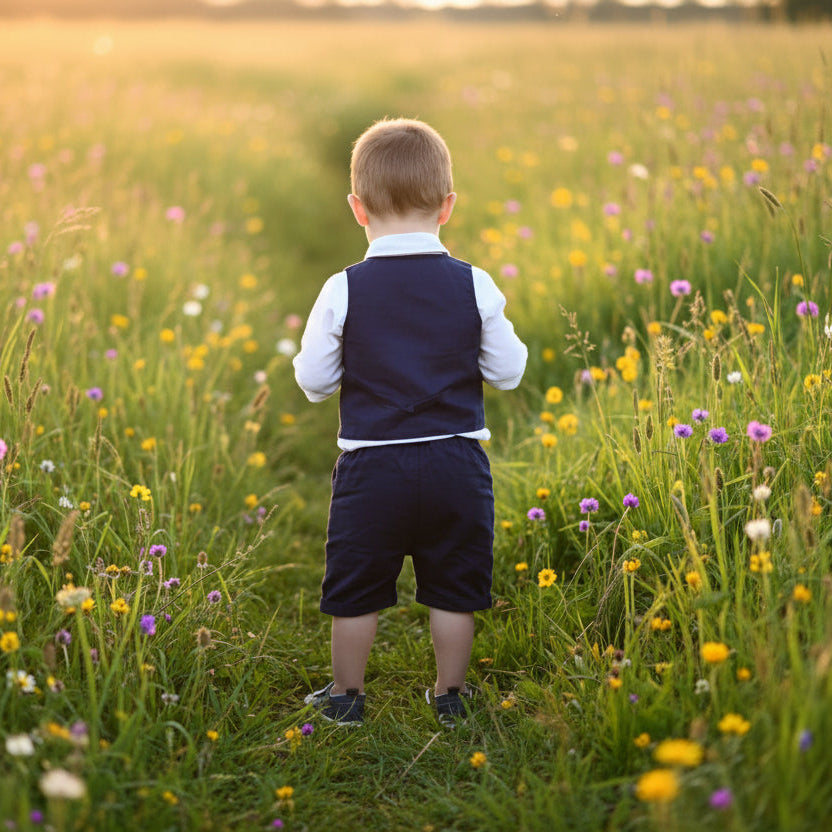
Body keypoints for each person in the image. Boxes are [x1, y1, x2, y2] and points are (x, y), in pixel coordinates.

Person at [293, 118, 527, 728]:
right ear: (448, 206)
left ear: (357, 208)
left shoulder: (342, 289)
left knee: (357, 585)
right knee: (455, 582)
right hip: (456, 461)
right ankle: (451, 696)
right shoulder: (474, 283)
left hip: (373, 465)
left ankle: (347, 696)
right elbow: (508, 372)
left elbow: (315, 382)